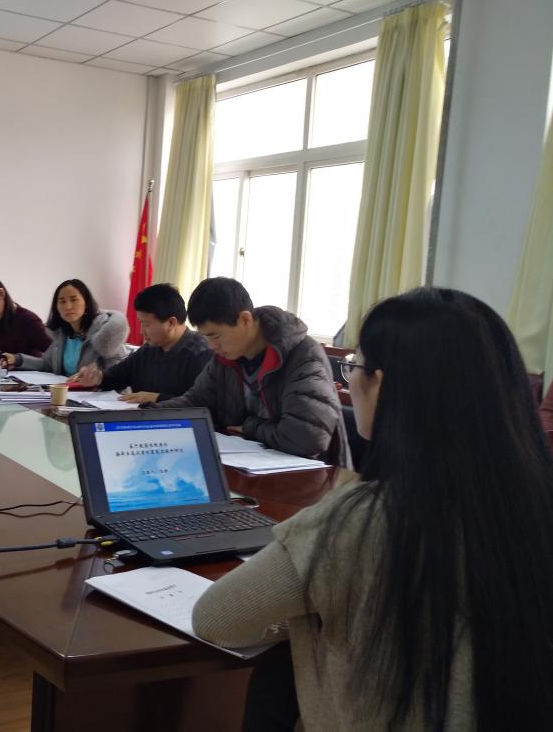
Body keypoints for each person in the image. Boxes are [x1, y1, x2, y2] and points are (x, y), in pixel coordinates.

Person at [191, 287, 553, 730]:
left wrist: (317, 608)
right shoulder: (531, 502)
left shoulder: (360, 519)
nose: (349, 381)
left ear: (380, 385)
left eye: (353, 368)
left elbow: (216, 619)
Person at [152, 277, 349, 467]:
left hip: (313, 474)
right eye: (206, 337)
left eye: (216, 336)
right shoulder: (227, 357)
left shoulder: (303, 355)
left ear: (245, 319)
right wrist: (148, 415)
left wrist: (250, 427)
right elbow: (196, 401)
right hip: (251, 465)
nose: (212, 346)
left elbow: (307, 438)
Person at [69, 283, 211, 404]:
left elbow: (203, 405)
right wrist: (98, 378)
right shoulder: (149, 349)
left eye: (146, 324)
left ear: (171, 323)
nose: (141, 331)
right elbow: (118, 375)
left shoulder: (201, 353)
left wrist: (157, 398)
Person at [2, 279, 127, 376]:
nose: (68, 306)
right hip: (70, 397)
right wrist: (17, 360)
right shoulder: (61, 334)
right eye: (62, 301)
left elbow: (119, 373)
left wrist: (95, 377)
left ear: (86, 302)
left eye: (74, 300)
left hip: (101, 398)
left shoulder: (106, 332)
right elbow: (46, 365)